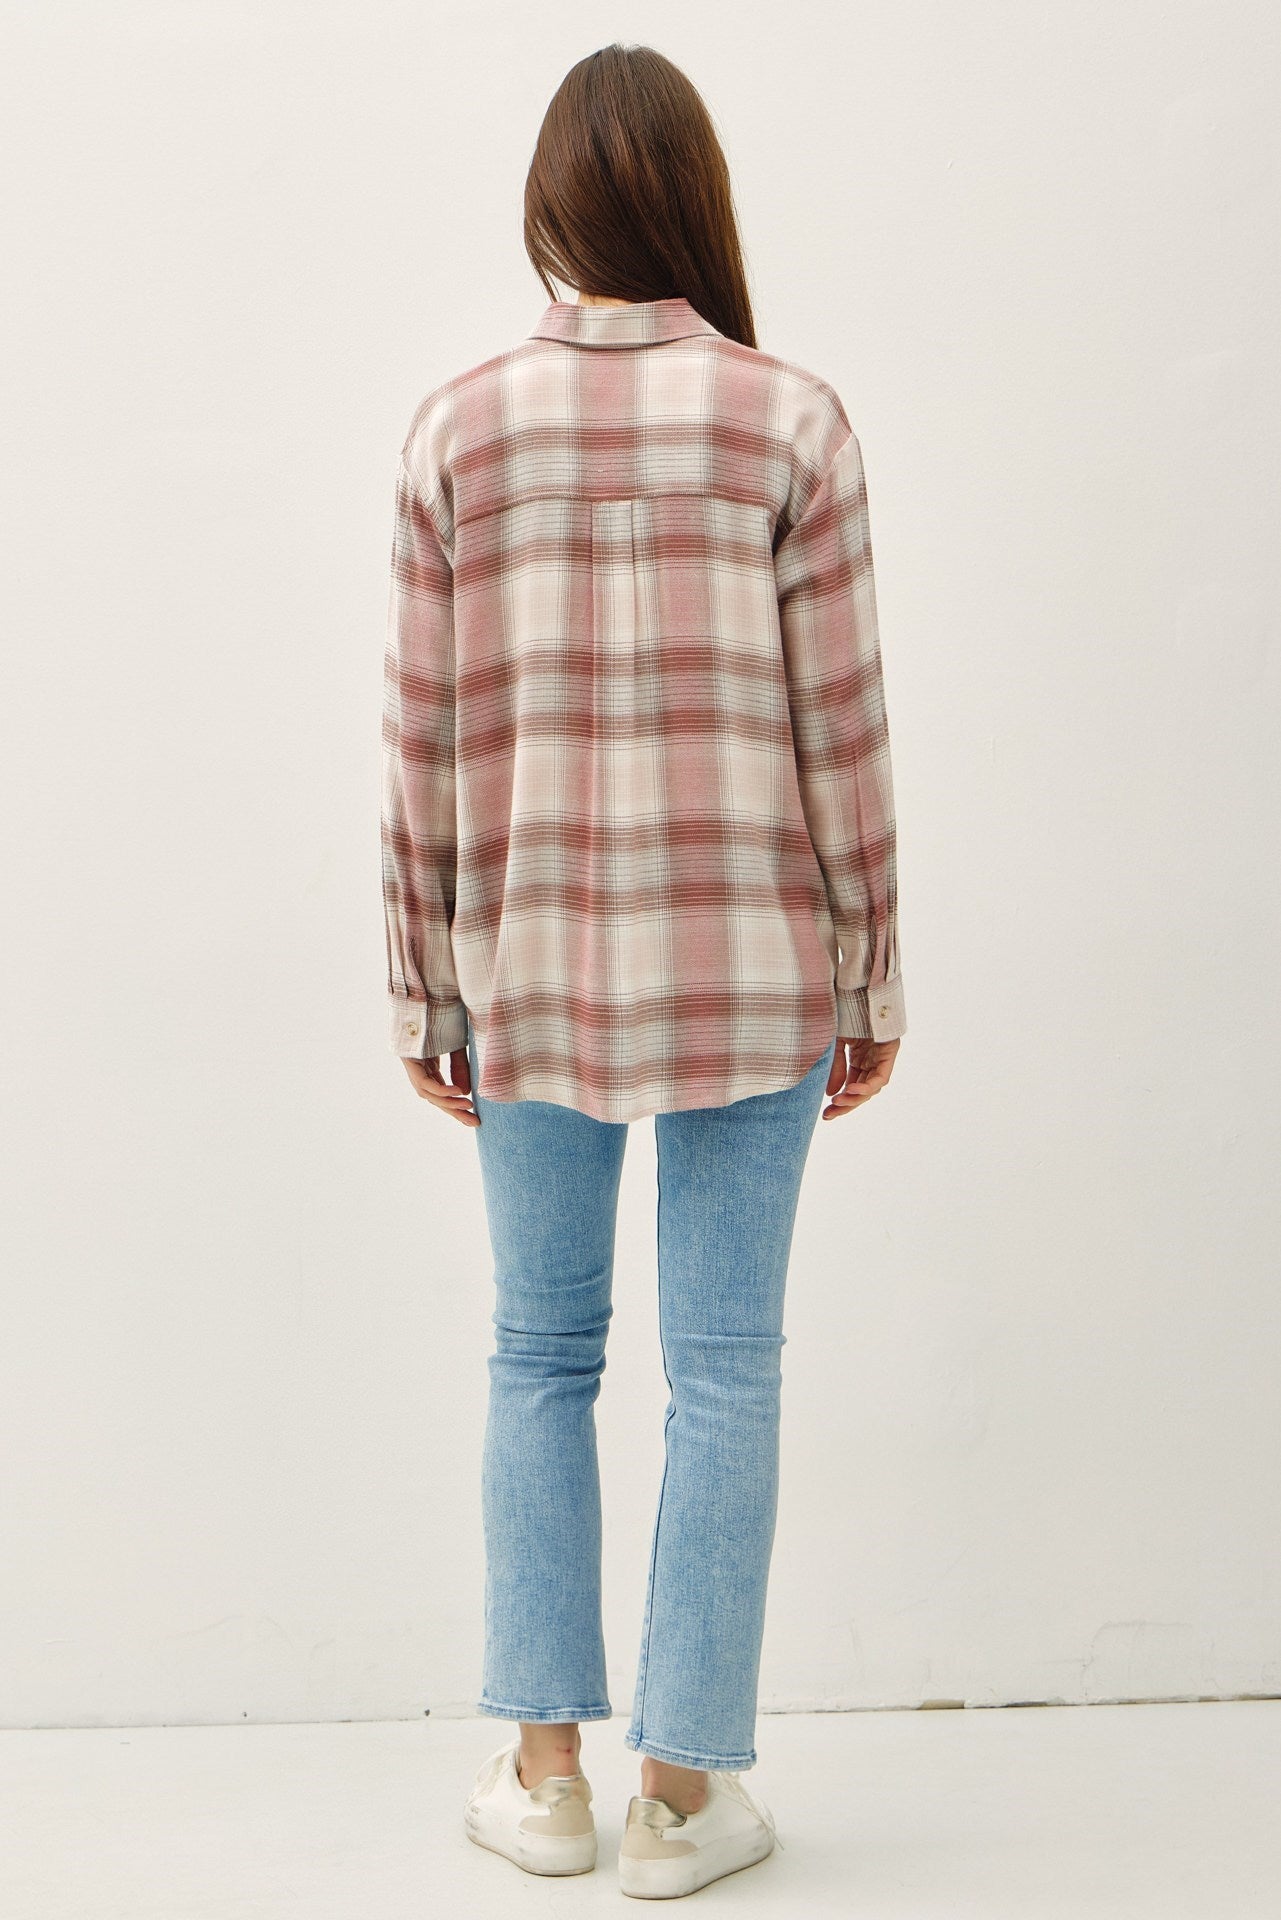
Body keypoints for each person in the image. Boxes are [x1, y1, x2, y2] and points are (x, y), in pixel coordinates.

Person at [380, 41, 907, 1900]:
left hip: (527, 967)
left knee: (538, 1354)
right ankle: (681, 1801)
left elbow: (422, 740)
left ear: (550, 210)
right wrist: (870, 976)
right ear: (695, 203)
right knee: (726, 1375)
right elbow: (844, 732)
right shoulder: (791, 422)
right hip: (754, 968)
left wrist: (421, 983)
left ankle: (543, 1785)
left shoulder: (458, 428)